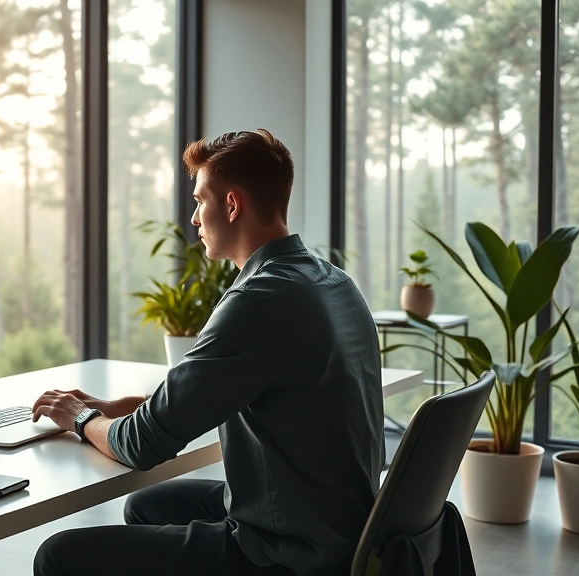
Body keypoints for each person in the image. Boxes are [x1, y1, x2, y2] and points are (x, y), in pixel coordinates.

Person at [31, 129, 383, 576]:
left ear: (232, 205)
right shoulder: (330, 281)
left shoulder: (258, 301)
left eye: (199, 201)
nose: (194, 218)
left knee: (58, 555)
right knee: (147, 505)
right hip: (340, 524)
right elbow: (232, 392)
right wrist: (122, 409)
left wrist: (80, 419)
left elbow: (140, 447)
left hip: (286, 550)